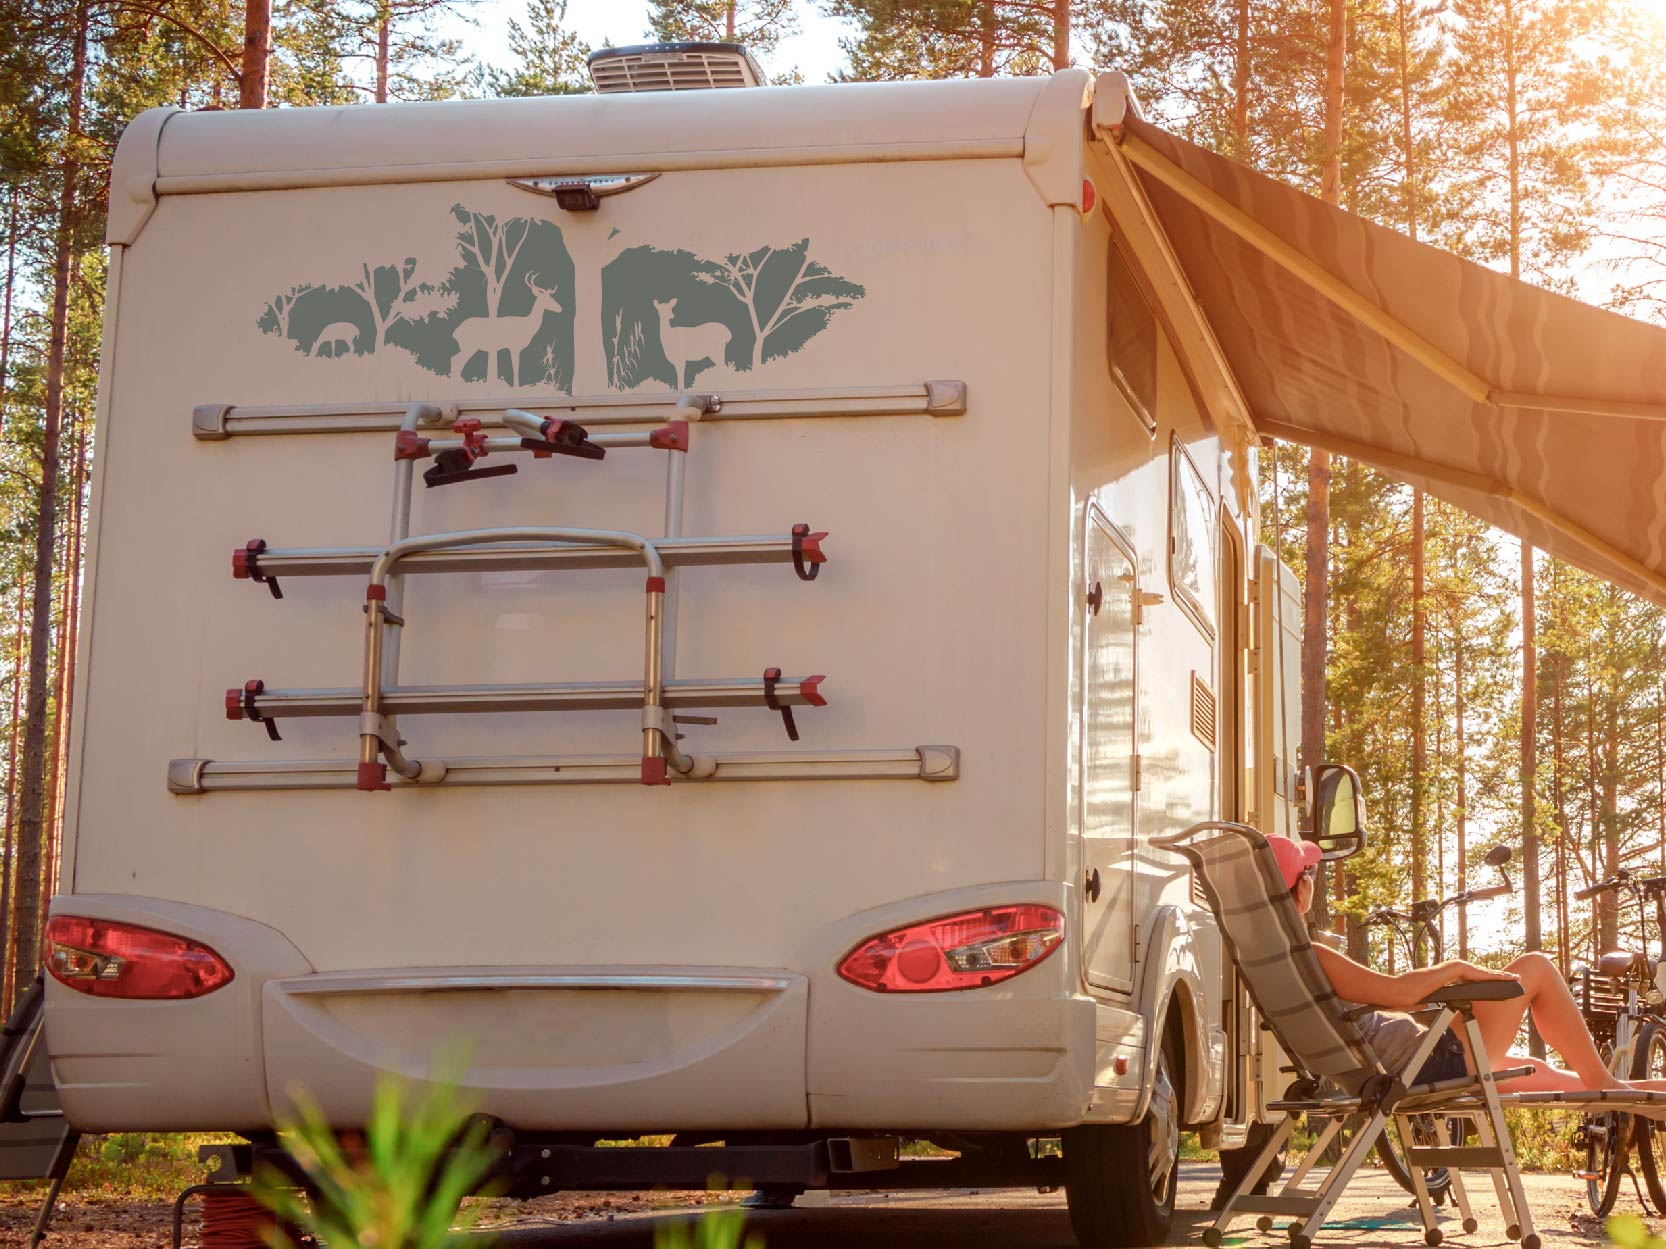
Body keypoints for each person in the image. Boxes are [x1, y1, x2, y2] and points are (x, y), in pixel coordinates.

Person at [1268, 834, 1666, 1094]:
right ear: (1302, 887)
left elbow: (1387, 1002)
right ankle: (1607, 1085)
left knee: (1531, 1067)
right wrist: (1458, 967)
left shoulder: (1282, 961)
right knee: (1536, 966)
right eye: (1312, 873)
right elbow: (1398, 994)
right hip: (1428, 1064)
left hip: (1407, 1064)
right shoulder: (1312, 955)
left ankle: (1624, 1093)